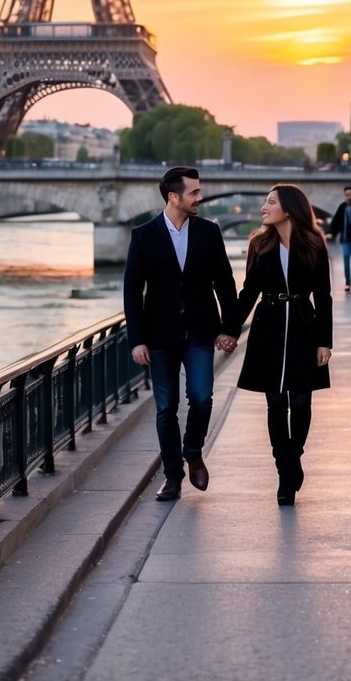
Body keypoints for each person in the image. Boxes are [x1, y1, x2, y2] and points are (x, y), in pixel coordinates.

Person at [123, 166, 238, 501]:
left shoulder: (209, 232)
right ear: (174, 196)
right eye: (194, 193)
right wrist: (137, 339)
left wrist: (229, 328)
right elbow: (132, 291)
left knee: (202, 398)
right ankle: (172, 476)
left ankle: (192, 450)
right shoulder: (143, 235)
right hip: (159, 336)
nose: (199, 198)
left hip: (201, 332)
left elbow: (226, 284)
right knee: (165, 407)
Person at [220, 184, 332, 506]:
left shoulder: (313, 244)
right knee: (275, 404)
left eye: (270, 202)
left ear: (289, 208)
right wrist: (230, 330)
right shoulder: (259, 244)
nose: (263, 208)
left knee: (300, 402)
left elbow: (323, 297)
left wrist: (324, 341)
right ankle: (284, 471)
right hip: (267, 328)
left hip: (303, 327)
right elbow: (248, 292)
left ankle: (294, 455)